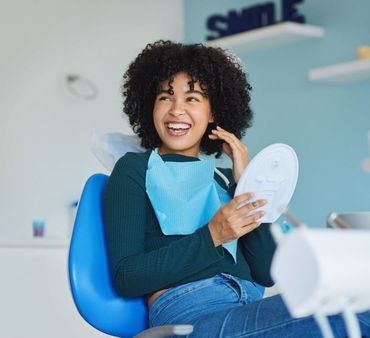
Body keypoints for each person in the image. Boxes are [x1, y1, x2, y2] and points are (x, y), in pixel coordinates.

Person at [103, 40, 370, 337]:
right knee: (350, 315)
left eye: (192, 99)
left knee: (355, 304)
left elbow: (267, 271)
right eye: (165, 97)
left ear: (213, 112)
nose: (176, 110)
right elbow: (126, 277)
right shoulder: (135, 169)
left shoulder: (227, 179)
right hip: (190, 315)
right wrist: (213, 235)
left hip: (247, 308)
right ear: (150, 106)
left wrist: (248, 185)